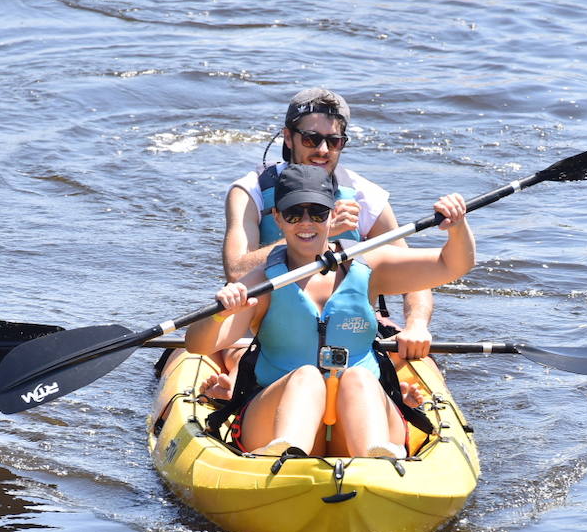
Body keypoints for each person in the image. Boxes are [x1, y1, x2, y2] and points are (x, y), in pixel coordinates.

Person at [186, 164, 473, 460]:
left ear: (334, 214)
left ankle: (377, 462)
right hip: (274, 415)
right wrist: (219, 313)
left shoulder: (370, 266)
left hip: (355, 421)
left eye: (318, 213)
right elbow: (198, 345)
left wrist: (457, 228)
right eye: (294, 213)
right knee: (307, 376)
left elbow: (451, 265)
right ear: (278, 219)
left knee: (359, 378)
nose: (306, 223)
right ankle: (287, 457)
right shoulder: (262, 281)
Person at [221, 87, 434, 357]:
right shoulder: (250, 192)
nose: (322, 150)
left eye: (333, 141)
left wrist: (416, 325)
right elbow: (237, 272)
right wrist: (317, 232)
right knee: (235, 358)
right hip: (267, 321)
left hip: (347, 324)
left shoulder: (366, 197)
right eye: (311, 139)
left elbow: (415, 276)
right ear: (288, 138)